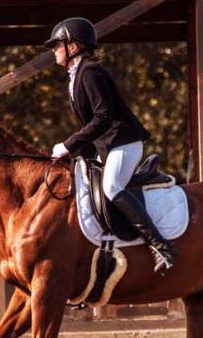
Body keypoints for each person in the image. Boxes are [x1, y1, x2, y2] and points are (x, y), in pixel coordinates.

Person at [45, 17, 177, 272]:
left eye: (57, 45)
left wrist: (69, 145)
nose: (54, 50)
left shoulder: (90, 72)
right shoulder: (77, 75)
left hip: (124, 142)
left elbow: (103, 117)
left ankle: (161, 246)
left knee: (112, 186)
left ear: (73, 46)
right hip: (110, 146)